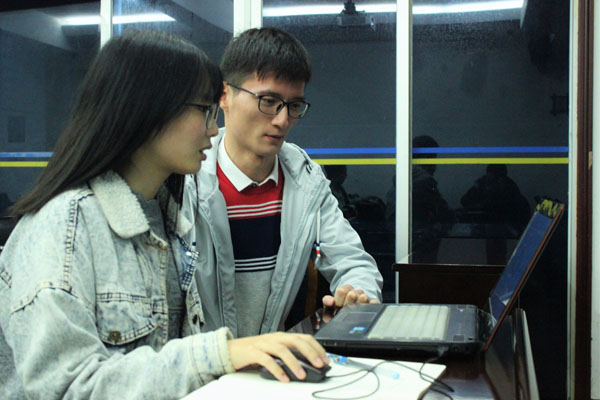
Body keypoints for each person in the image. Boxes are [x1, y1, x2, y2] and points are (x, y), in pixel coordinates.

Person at [0, 31, 328, 400]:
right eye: (204, 111)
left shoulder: (169, 218)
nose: (213, 129)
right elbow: (66, 389)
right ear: (147, 110)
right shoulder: (64, 228)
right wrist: (220, 354)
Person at [185, 27, 383, 338]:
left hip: (272, 361)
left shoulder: (305, 180)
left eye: (294, 106)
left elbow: (352, 260)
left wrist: (358, 294)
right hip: (199, 362)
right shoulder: (187, 178)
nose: (282, 120)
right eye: (268, 101)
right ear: (224, 95)